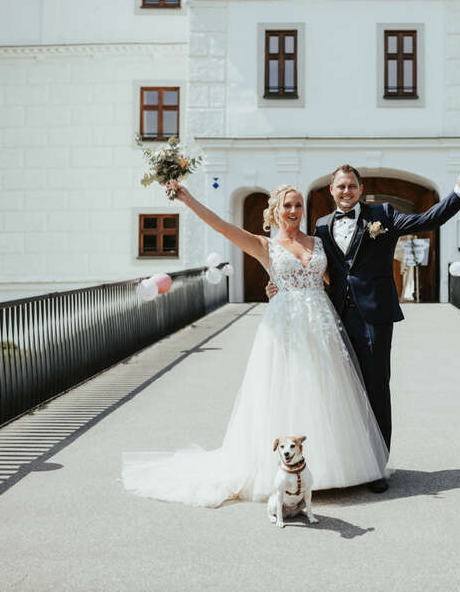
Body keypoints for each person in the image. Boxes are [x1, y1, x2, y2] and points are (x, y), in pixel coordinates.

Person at [121, 182, 388, 508]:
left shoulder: (319, 242)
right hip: (285, 325)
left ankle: (333, 468)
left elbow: (340, 278)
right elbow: (223, 227)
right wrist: (189, 199)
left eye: (298, 205)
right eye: (287, 206)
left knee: (325, 389)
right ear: (275, 211)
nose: (293, 211)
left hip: (321, 323)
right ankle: (283, 471)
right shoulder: (265, 245)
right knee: (287, 387)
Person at [268, 164, 460, 493]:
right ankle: (346, 462)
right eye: (340, 186)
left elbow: (426, 220)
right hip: (334, 318)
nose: (346, 191)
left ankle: (378, 466)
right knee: (342, 391)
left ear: (360, 188)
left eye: (351, 186)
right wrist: (278, 288)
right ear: (332, 190)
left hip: (375, 315)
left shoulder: (383, 214)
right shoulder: (322, 226)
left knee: (376, 388)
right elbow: (313, 267)